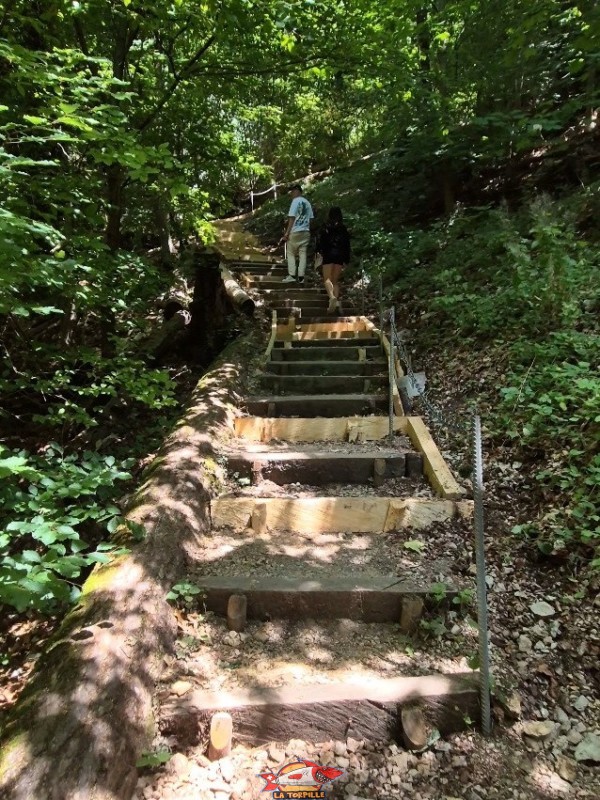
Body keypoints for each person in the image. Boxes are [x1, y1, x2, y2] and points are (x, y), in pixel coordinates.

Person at [315, 206, 351, 313]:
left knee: (327, 279)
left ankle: (332, 297)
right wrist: (346, 259)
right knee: (335, 280)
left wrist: (318, 251)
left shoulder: (325, 227)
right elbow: (346, 244)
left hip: (328, 254)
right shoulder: (343, 228)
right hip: (339, 256)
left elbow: (320, 241)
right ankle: (336, 302)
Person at [282, 184, 314, 284]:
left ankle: (292, 275)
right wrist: (307, 228)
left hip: (295, 231)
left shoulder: (295, 201)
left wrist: (287, 233)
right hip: (305, 231)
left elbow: (292, 218)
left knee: (291, 253)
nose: (291, 194)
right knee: (302, 254)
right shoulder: (307, 203)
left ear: (297, 191)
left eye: (292, 191)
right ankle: (301, 277)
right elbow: (311, 219)